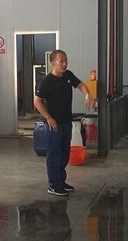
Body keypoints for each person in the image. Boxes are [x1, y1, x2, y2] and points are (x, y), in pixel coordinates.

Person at [34, 49, 96, 196]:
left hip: (66, 121)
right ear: (53, 63)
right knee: (54, 155)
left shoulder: (68, 75)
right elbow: (37, 101)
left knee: (64, 154)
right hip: (54, 124)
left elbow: (80, 85)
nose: (64, 63)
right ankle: (54, 185)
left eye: (65, 60)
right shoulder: (46, 82)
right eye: (61, 61)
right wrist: (48, 117)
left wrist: (87, 94)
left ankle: (61, 181)